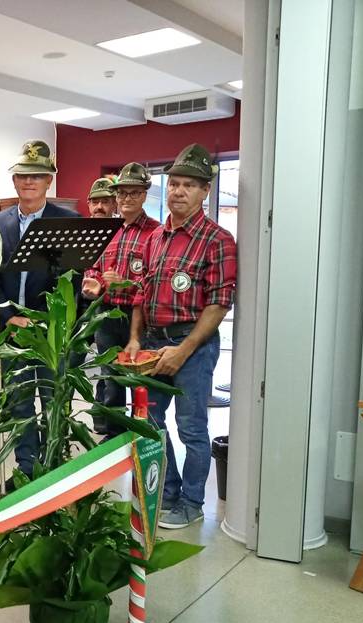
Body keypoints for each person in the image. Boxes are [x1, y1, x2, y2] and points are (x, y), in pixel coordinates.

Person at [125, 144, 237, 529]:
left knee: (191, 428)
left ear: (206, 191)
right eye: (174, 183)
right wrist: (135, 339)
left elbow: (219, 305)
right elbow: (140, 292)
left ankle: (191, 503)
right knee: (150, 423)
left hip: (194, 343)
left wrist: (184, 350)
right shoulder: (155, 237)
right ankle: (166, 492)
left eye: (190, 185)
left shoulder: (218, 240)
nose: (178, 191)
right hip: (151, 342)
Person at [0, 140, 78, 491]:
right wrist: (6, 317)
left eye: (37, 176)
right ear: (14, 182)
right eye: (23, 176)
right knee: (20, 405)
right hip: (11, 333)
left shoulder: (67, 222)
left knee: (55, 402)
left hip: (51, 334)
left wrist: (42, 321)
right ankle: (27, 471)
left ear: (48, 181)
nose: (29, 182)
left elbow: (70, 284)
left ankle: (55, 470)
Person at [82, 163, 159, 436]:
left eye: (134, 193)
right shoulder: (107, 231)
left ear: (144, 195)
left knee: (141, 379)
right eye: (122, 193)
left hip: (138, 317)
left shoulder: (156, 232)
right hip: (106, 314)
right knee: (110, 377)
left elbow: (154, 280)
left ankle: (143, 434)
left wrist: (124, 284)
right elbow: (93, 268)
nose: (127, 198)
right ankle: (114, 435)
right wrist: (96, 282)